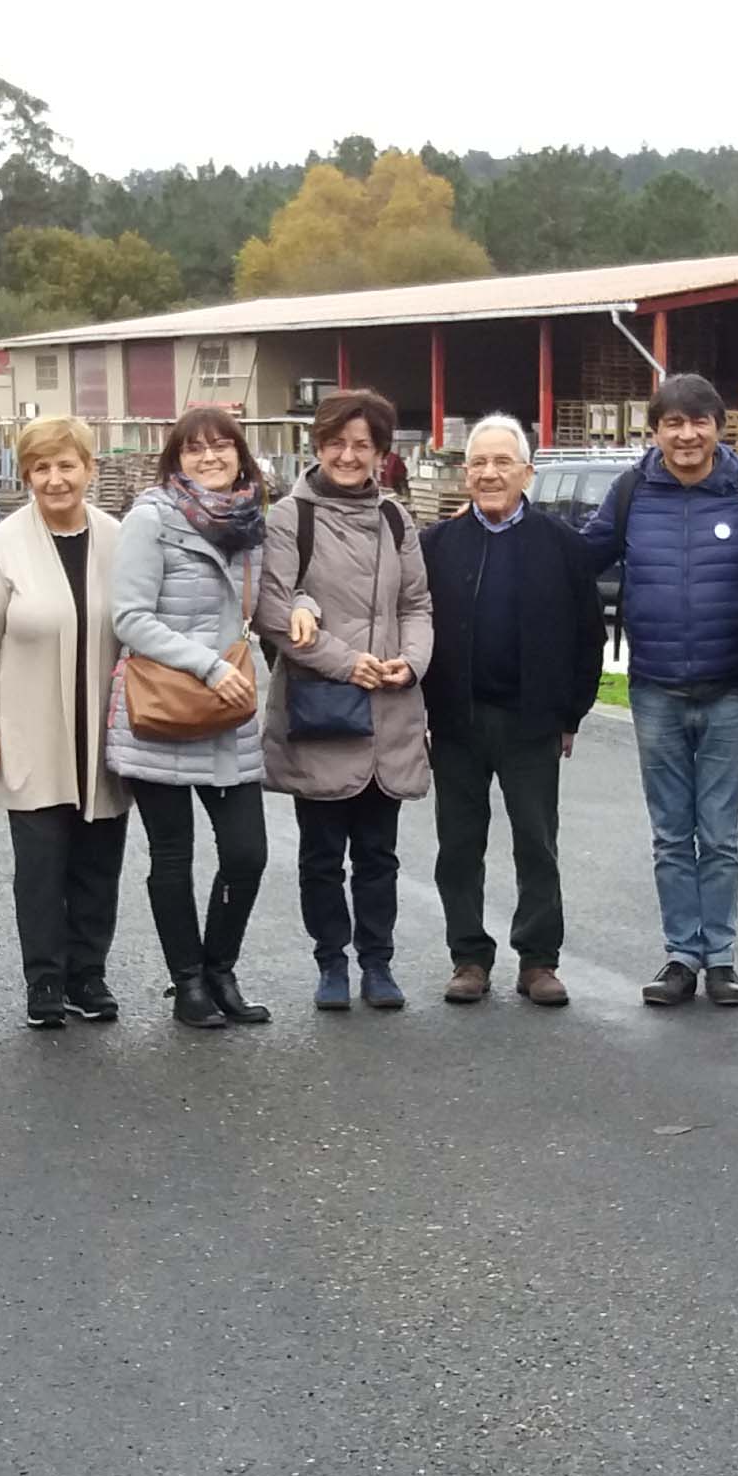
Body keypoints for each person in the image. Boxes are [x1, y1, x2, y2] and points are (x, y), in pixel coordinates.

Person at [578, 372, 738, 1008]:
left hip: (731, 688)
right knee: (671, 833)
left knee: (718, 833)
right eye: (673, 422)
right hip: (656, 688)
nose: (687, 434)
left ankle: (719, 957)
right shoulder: (632, 489)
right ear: (656, 430)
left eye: (699, 422)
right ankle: (679, 956)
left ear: (718, 427)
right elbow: (580, 557)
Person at [258, 387, 433, 1013]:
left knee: (379, 856)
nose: (349, 455)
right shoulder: (289, 518)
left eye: (363, 445)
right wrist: (346, 662)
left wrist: (410, 663)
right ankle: (331, 961)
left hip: (388, 711)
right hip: (321, 710)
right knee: (322, 855)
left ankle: (377, 964)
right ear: (318, 446)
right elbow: (274, 611)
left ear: (382, 455)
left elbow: (416, 605)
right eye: (337, 442)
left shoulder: (395, 519)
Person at [421, 414, 604, 1008]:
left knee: (536, 842)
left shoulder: (562, 546)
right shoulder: (437, 546)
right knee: (458, 844)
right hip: (455, 720)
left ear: (527, 471)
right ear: (465, 471)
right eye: (479, 463)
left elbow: (588, 636)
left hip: (532, 722)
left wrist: (572, 712)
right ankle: (468, 957)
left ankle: (538, 959)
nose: (490, 473)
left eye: (503, 462)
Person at [110, 408, 275, 1030]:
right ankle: (188, 983)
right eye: (194, 449)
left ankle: (221, 969)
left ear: (240, 453)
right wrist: (205, 665)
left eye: (221, 446)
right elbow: (128, 616)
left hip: (228, 712)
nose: (209, 458)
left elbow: (277, 595)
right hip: (164, 707)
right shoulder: (151, 519)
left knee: (246, 855)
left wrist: (305, 604)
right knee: (172, 855)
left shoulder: (251, 523)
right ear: (175, 459)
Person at [0, 416, 128, 1028]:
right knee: (40, 863)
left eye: (67, 465)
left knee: (99, 859)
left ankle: (90, 974)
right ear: (26, 474)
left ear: (89, 469)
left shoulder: (118, 539)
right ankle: (45, 981)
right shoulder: (3, 546)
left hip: (103, 729)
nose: (55, 479)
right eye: (41, 467)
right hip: (30, 728)